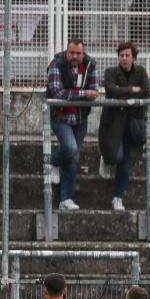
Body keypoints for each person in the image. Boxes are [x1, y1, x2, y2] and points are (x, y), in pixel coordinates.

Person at [47, 38, 99, 211]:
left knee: (74, 157)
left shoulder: (90, 65)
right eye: (72, 53)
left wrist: (80, 94)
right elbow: (58, 92)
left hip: (80, 118)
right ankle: (52, 161)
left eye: (79, 53)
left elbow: (95, 91)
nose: (75, 56)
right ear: (66, 52)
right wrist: (83, 93)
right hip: (60, 117)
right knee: (70, 148)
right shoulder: (56, 64)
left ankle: (66, 199)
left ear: (83, 53)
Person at [98, 41, 150, 211]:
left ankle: (117, 197)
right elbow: (111, 90)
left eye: (128, 55)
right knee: (116, 157)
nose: (124, 58)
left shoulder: (141, 71)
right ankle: (106, 158)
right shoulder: (111, 72)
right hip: (114, 121)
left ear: (133, 57)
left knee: (126, 163)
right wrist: (133, 90)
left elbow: (146, 91)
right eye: (121, 55)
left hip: (133, 122)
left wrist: (125, 91)